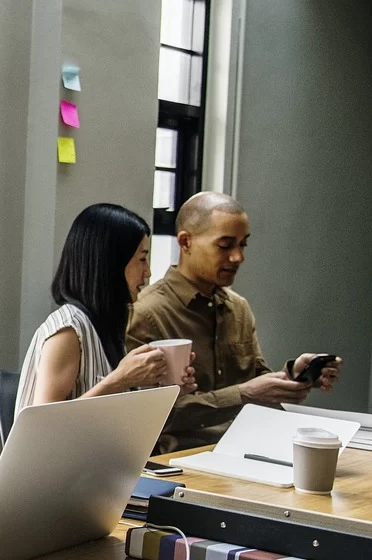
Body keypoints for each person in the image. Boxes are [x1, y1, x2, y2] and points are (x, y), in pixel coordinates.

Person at [127, 191, 341, 452]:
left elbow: (256, 379)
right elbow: (148, 416)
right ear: (186, 242)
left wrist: (293, 375)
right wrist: (243, 394)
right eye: (225, 245)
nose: (238, 257)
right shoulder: (146, 313)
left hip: (247, 449)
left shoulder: (237, 308)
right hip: (180, 461)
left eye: (243, 244)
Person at [16, 203, 196, 413]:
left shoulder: (107, 322)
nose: (147, 272)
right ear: (111, 263)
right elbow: (41, 427)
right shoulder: (68, 331)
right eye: (142, 259)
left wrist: (168, 390)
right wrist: (118, 380)